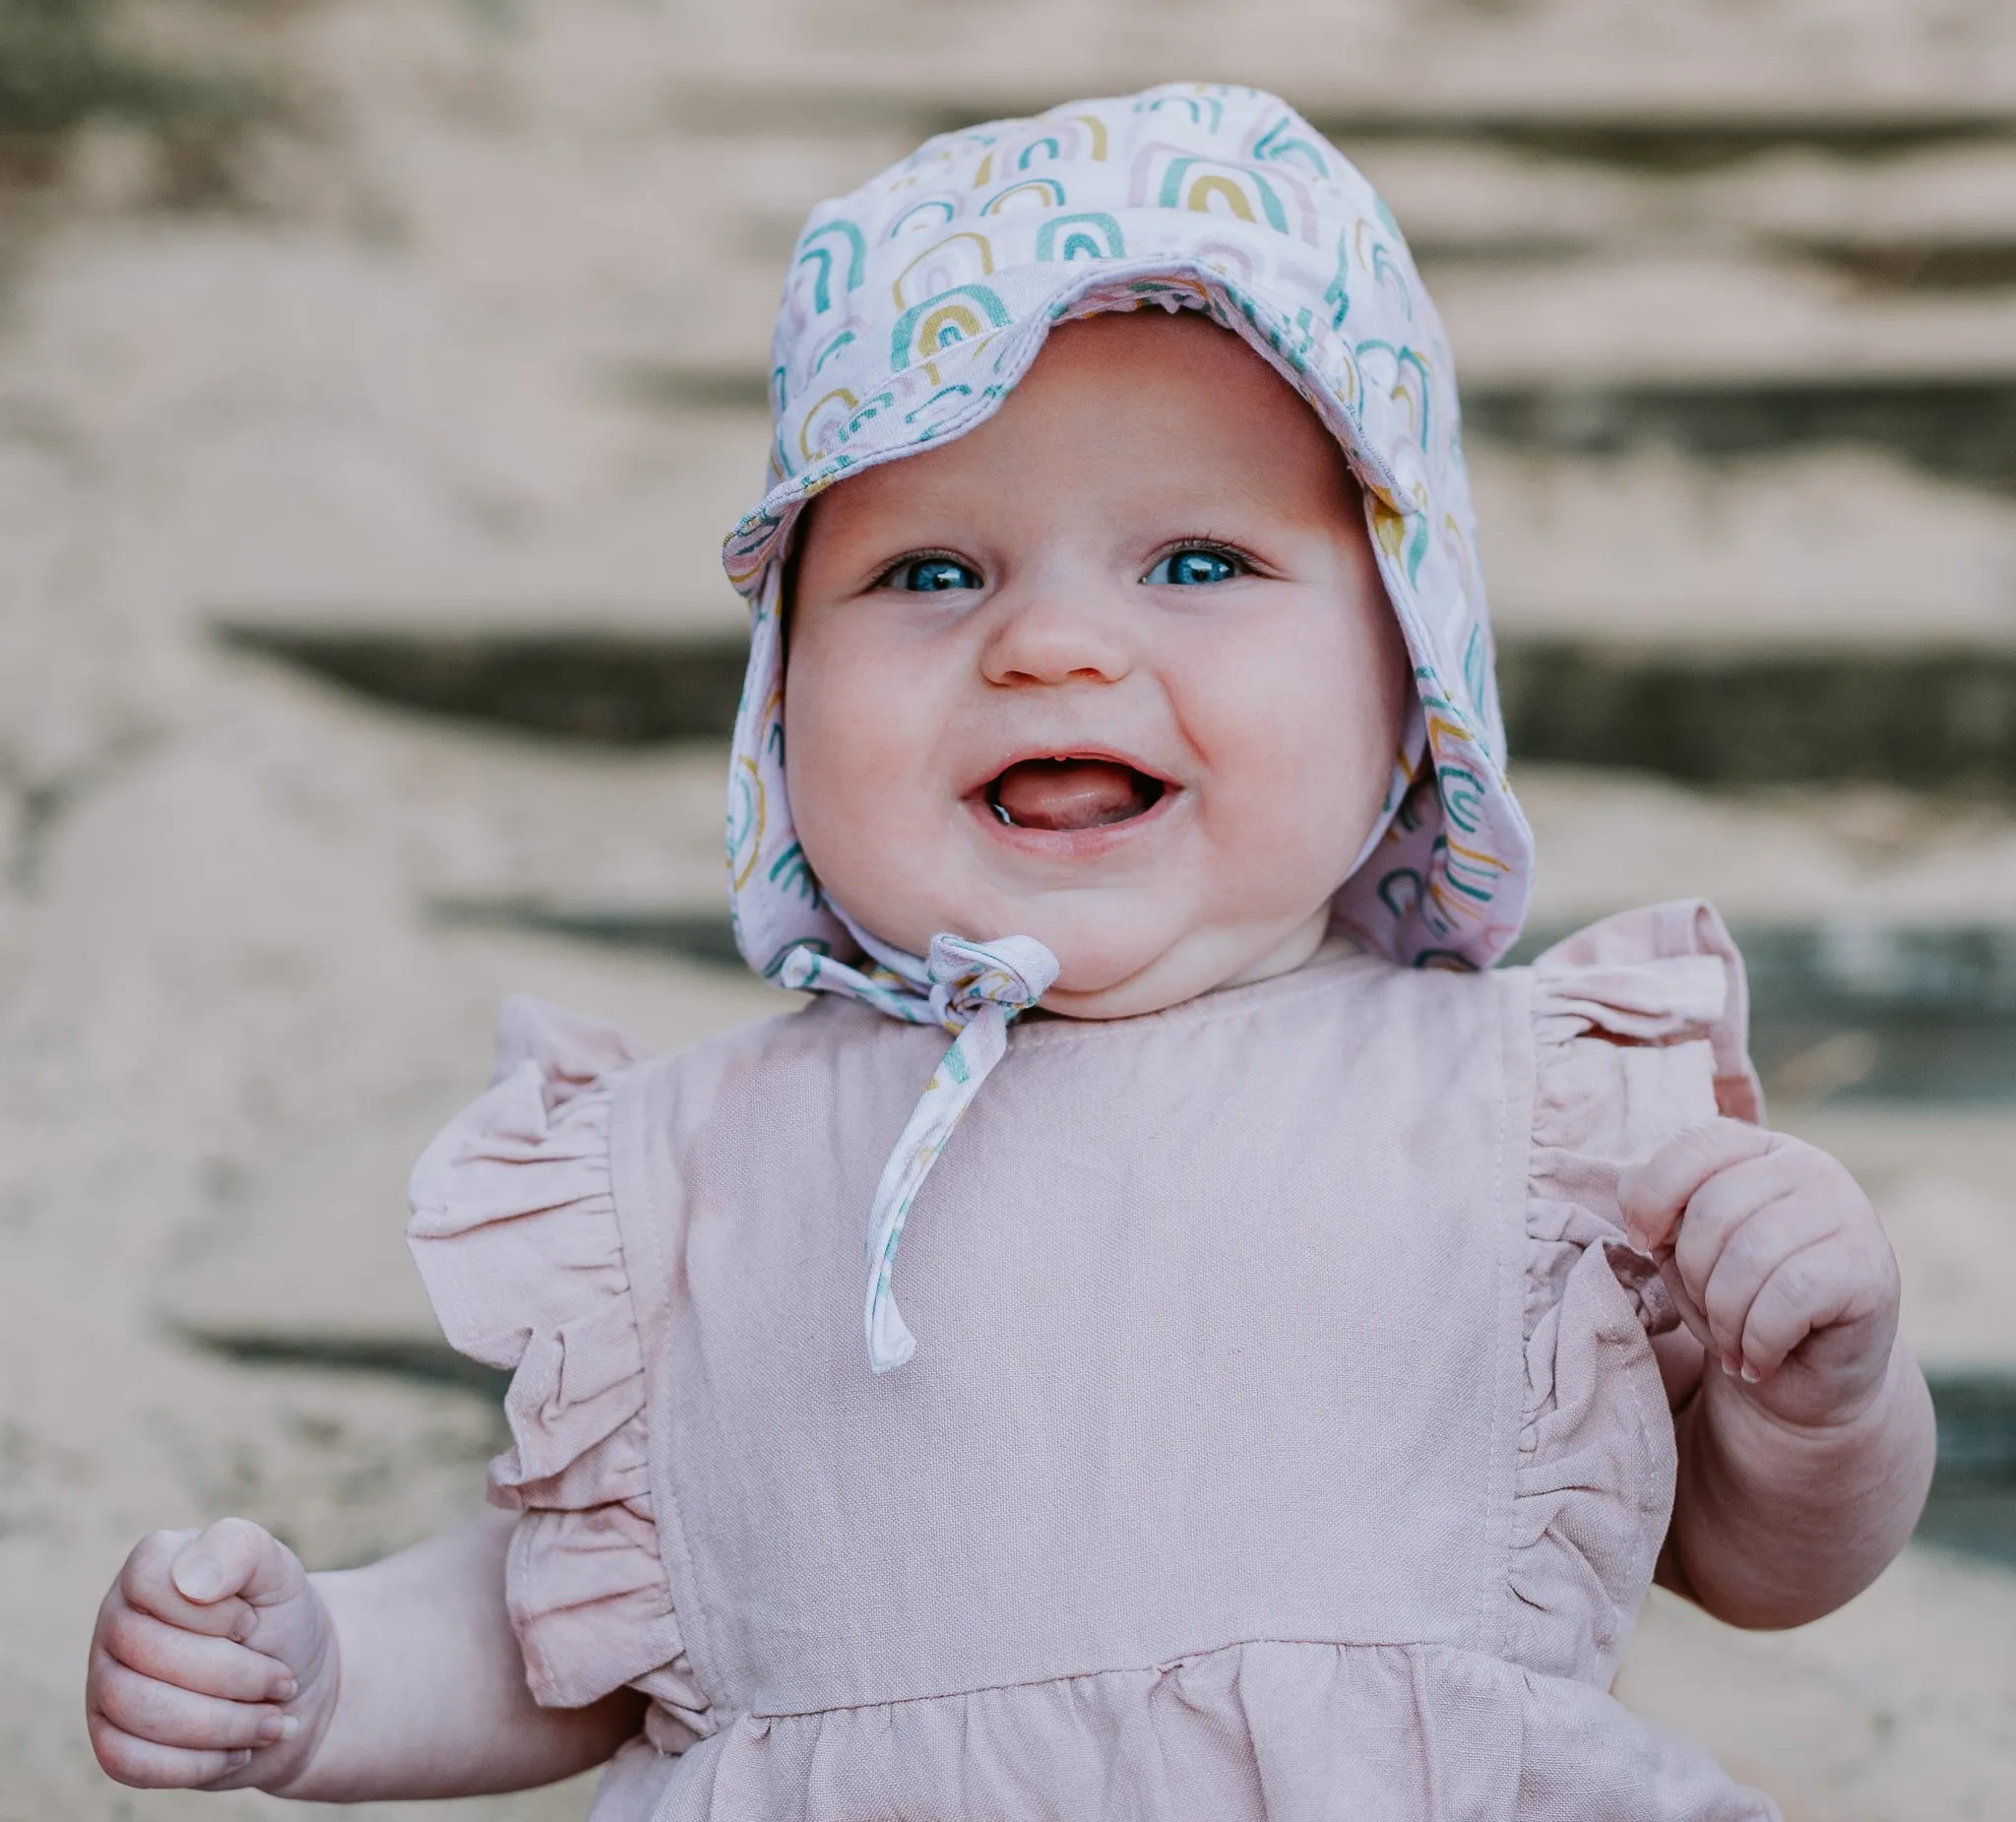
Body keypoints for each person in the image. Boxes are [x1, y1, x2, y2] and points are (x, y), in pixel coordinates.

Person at [85, 85, 1934, 1820]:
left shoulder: (1523, 1116)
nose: (1051, 644)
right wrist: (326, 1674)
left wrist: (1820, 1398)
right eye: (929, 572)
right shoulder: (692, 1167)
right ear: (782, 700)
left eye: (1198, 564)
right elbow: (574, 1616)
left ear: (1412, 686)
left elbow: (1759, 1565)